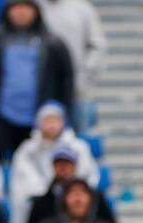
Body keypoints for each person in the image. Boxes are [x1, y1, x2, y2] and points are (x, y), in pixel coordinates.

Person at [0, 0, 75, 158]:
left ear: (36, 10)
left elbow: (66, 82)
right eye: (16, 6)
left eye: (26, 6)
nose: (21, 12)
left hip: (38, 122)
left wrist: (55, 115)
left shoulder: (54, 44)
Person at [10, 103, 99, 223]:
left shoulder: (78, 147)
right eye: (47, 120)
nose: (51, 125)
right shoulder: (27, 150)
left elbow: (88, 178)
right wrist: (49, 193)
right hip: (41, 211)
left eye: (55, 120)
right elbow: (23, 184)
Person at [23, 145, 113, 223]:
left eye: (67, 163)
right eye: (59, 163)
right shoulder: (42, 201)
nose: (63, 167)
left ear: (75, 166)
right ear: (53, 166)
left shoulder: (95, 197)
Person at [37, 0, 105, 131]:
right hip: (40, 92)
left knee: (80, 138)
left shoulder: (82, 8)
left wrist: (83, 79)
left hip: (77, 93)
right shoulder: (33, 7)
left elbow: (98, 46)